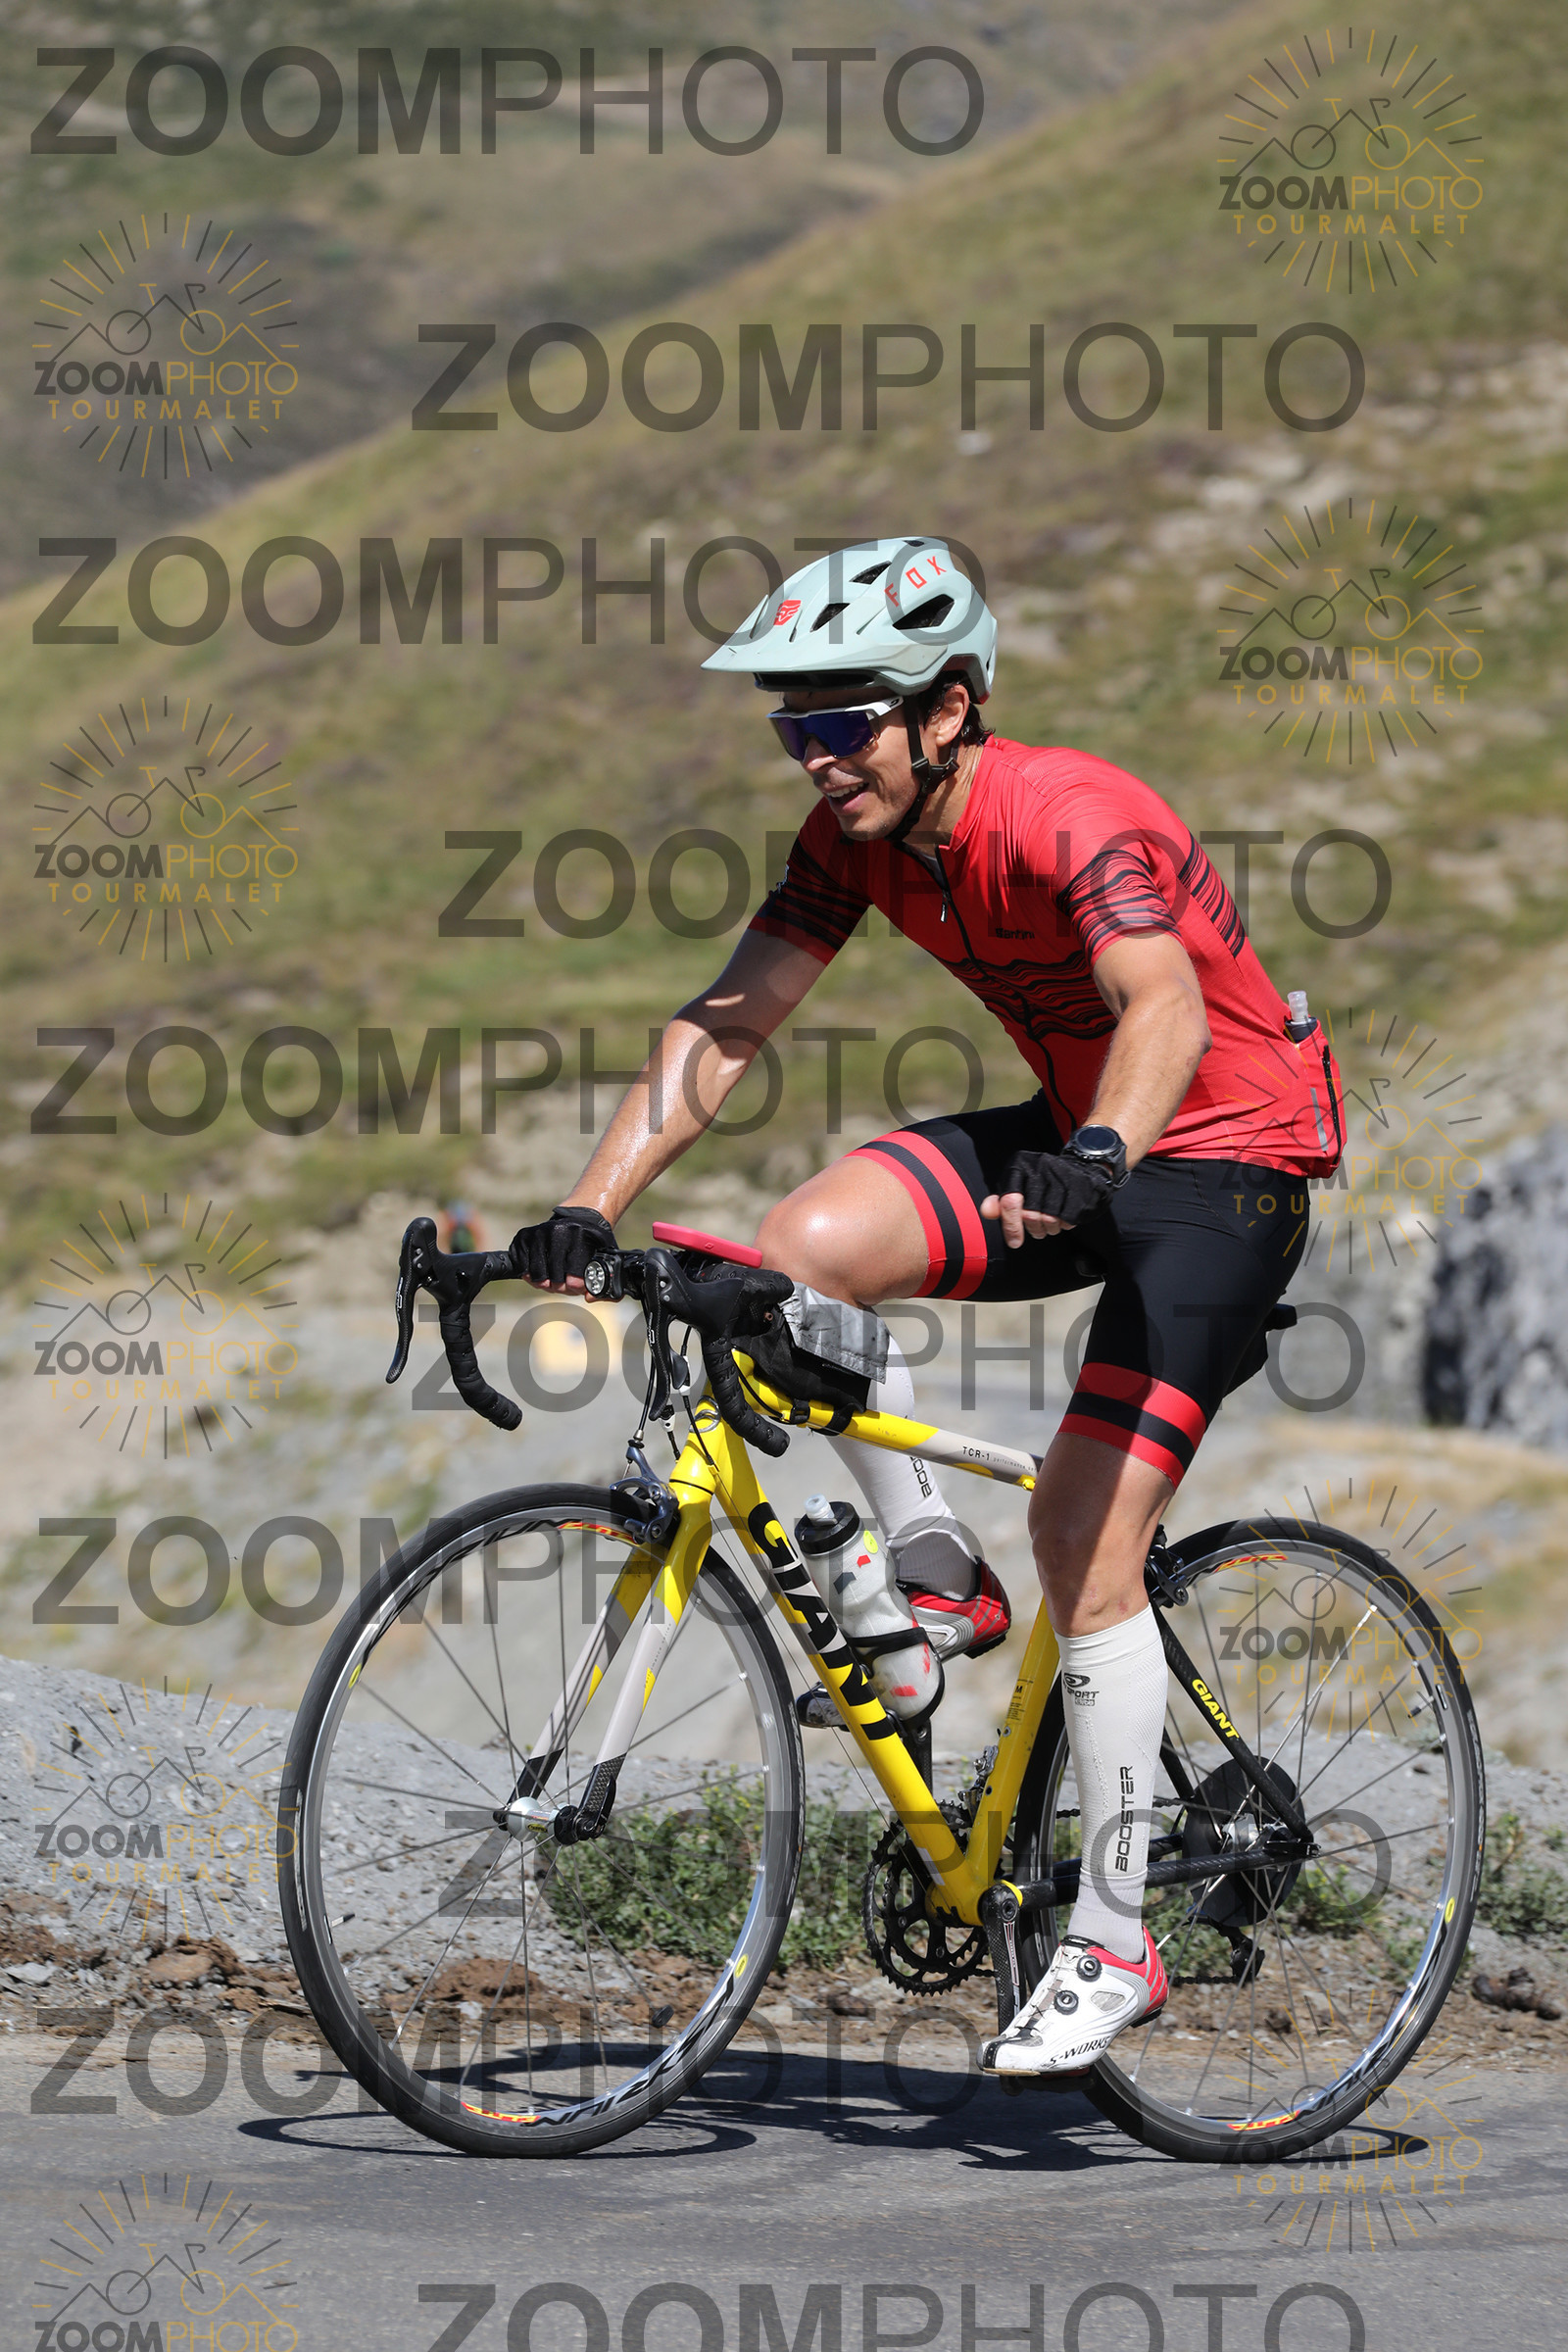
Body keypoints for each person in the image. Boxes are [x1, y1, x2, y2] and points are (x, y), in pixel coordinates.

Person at [510, 537, 1342, 2076]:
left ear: (948, 708)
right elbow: (729, 1024)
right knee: (795, 1253)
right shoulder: (859, 841)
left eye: (845, 723)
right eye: (793, 728)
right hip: (1084, 1141)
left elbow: (1160, 1004)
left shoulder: (1070, 812)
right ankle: (934, 1574)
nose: (816, 758)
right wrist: (587, 1202)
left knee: (1083, 1533)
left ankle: (1114, 1938)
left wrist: (1102, 1154)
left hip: (1225, 1161)